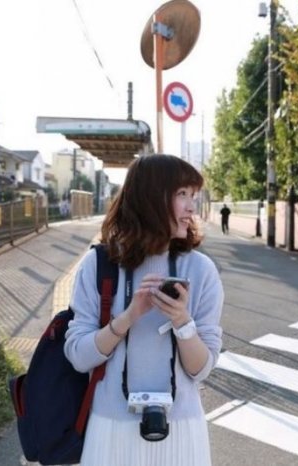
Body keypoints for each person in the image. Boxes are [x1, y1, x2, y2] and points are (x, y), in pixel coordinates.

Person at [64, 154, 224, 466]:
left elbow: (201, 369)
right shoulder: (99, 266)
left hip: (181, 430)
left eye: (194, 196)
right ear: (151, 197)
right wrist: (127, 318)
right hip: (110, 429)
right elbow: (78, 356)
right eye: (182, 195)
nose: (192, 207)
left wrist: (182, 321)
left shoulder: (202, 270)